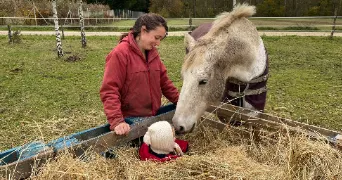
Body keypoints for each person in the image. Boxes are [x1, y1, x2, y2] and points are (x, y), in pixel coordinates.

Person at [100, 13, 179, 135]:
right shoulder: (120, 54)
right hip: (130, 121)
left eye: (160, 39)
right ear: (143, 30)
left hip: (152, 116)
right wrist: (117, 121)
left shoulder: (153, 54)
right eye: (156, 37)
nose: (158, 43)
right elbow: (109, 90)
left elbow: (164, 82)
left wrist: (180, 101)